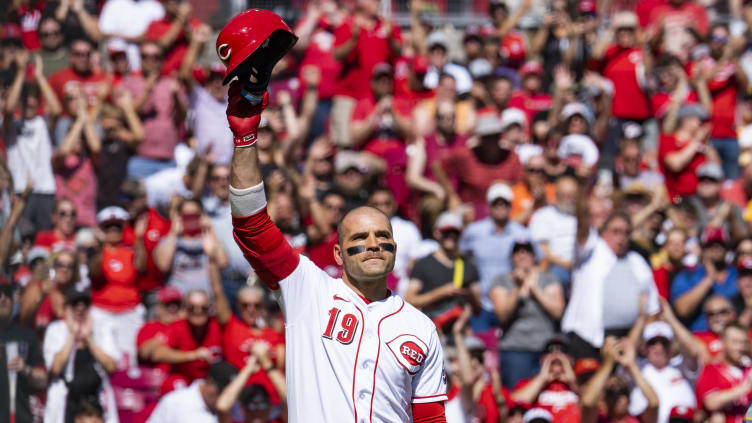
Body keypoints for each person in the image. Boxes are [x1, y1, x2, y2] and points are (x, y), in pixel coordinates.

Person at [226, 82, 447, 421]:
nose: (373, 243)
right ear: (339, 254)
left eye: (381, 236)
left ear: (395, 248)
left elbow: (431, 417)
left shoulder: (420, 327)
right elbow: (251, 227)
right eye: (360, 237)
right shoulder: (308, 290)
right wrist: (245, 139)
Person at [562, 179, 660, 357]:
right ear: (603, 231)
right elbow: (582, 224)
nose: (621, 237)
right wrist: (583, 188)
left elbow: (652, 307)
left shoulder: (637, 262)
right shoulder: (591, 250)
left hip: (627, 341)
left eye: (626, 232)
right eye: (616, 231)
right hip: (586, 337)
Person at [490, 239, 565, 388]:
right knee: (517, 400)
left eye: (527, 251)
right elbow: (502, 315)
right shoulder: (502, 280)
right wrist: (518, 288)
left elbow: (558, 312)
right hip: (515, 350)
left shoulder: (548, 278)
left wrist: (534, 290)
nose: (522, 255)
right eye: (518, 251)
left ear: (534, 256)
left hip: (545, 349)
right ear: (512, 257)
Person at [43, 286, 119, 423]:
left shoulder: (102, 329)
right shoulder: (56, 330)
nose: (80, 308)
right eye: (75, 303)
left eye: (85, 303)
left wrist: (89, 338)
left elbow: (111, 366)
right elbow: (55, 368)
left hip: (95, 405)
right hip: (66, 404)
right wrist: (72, 335)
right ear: (66, 308)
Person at [460, 183, 532, 324]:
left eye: (504, 203)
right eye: (496, 203)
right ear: (489, 206)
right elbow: (461, 257)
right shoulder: (474, 232)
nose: (500, 206)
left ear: (511, 206)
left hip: (511, 303)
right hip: (481, 305)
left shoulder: (522, 234)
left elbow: (538, 261)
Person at [88, 206, 147, 370]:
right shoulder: (96, 252)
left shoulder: (130, 252)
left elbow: (141, 267)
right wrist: (100, 246)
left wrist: (139, 238)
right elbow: (94, 273)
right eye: (108, 227)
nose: (113, 231)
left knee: (130, 360)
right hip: (103, 313)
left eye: (117, 227)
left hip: (129, 312)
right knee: (106, 360)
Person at [435, 114, 523, 219]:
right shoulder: (466, 155)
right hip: (471, 211)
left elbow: (520, 184)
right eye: (487, 138)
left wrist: (507, 185)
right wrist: (451, 196)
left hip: (503, 211)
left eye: (494, 137)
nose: (491, 142)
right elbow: (438, 167)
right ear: (480, 139)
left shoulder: (511, 157)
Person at [406, 212, 481, 330]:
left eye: (455, 232)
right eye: (446, 232)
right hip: (432, 330)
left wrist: (470, 296)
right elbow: (410, 299)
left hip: (460, 334)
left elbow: (478, 309)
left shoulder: (468, 266)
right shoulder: (423, 265)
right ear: (437, 232)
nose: (451, 236)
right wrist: (441, 293)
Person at [153, 198, 228, 295]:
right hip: (179, 303)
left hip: (206, 302)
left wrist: (210, 230)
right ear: (179, 216)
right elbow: (163, 265)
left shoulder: (209, 238)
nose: (191, 219)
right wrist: (173, 232)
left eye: (195, 215)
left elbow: (223, 263)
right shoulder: (169, 240)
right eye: (186, 215)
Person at [671, 227, 738, 331]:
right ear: (702, 248)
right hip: (700, 338)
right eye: (710, 245)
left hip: (735, 339)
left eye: (720, 244)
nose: (716, 248)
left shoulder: (737, 274)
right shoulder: (688, 275)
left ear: (727, 247)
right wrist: (709, 279)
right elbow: (682, 310)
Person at [580, 337, 659, 423]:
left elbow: (654, 403)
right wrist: (608, 363)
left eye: (623, 392)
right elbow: (587, 402)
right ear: (604, 400)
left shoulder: (637, 420)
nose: (619, 399)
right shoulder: (598, 420)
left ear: (629, 398)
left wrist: (631, 365)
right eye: (612, 393)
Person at [0, 281, 48, 423]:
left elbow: (43, 380)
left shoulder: (27, 335)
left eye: (7, 294)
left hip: (20, 417)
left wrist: (26, 369)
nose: (3, 299)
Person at [511, 337, 580, 423]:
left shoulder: (583, 383)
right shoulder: (527, 383)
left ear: (572, 360)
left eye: (562, 352)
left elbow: (593, 403)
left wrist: (573, 383)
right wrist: (542, 378)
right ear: (541, 360)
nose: (556, 355)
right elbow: (513, 405)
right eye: (550, 352)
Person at [695, 322, 752, 422]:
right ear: (723, 342)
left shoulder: (749, 369)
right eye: (735, 342)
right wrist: (746, 387)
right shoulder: (711, 370)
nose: (740, 347)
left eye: (744, 342)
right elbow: (711, 403)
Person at [528, 175, 578, 288]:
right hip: (555, 267)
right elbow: (543, 252)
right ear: (556, 194)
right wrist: (568, 265)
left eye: (571, 195)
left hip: (581, 266)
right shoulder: (543, 216)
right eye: (564, 195)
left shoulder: (582, 217)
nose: (568, 199)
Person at [146, 361, 237, 423]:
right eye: (222, 391)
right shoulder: (181, 403)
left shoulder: (218, 407)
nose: (226, 397)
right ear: (209, 382)